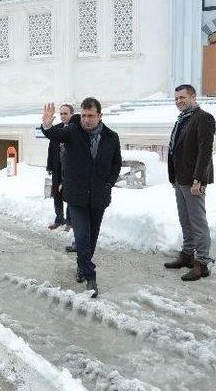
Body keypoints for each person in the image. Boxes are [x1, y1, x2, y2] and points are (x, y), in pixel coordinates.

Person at [41, 98, 122, 298]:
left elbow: (116, 164)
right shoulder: (72, 132)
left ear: (100, 116)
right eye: (84, 115)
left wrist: (109, 183)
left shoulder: (112, 137)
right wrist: (47, 124)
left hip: (99, 196)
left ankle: (81, 264)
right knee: (82, 235)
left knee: (92, 237)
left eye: (90, 116)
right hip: (76, 196)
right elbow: (53, 134)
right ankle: (90, 276)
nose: (86, 120)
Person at [164, 84, 215, 281]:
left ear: (193, 97)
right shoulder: (182, 119)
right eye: (176, 98)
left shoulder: (204, 118)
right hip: (180, 178)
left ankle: (202, 263)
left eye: (182, 97)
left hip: (194, 180)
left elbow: (205, 152)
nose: (179, 101)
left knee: (197, 221)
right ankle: (187, 255)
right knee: (185, 219)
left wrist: (199, 179)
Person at [46, 103, 74, 232]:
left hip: (70, 169)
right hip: (58, 168)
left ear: (71, 114)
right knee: (57, 194)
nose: (63, 116)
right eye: (61, 113)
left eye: (65, 113)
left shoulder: (76, 129)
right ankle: (59, 219)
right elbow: (51, 149)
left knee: (69, 195)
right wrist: (50, 166)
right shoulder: (56, 129)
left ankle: (70, 221)